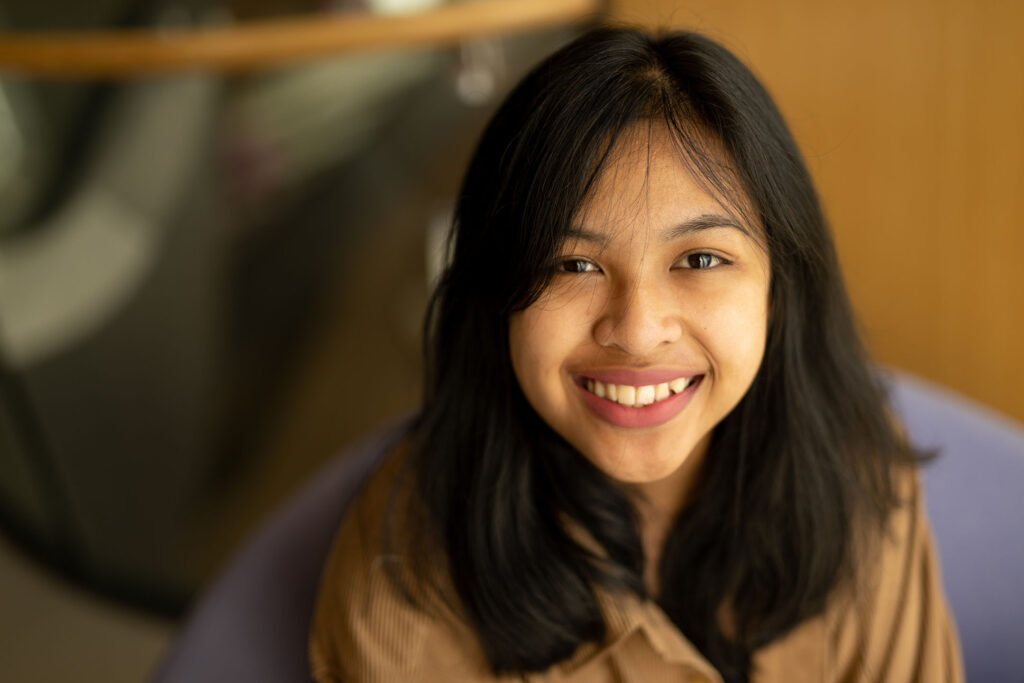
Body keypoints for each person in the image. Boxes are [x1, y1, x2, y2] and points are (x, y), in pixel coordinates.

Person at [310, 26, 964, 682]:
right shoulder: (404, 579)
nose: (639, 329)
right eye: (572, 263)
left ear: (779, 289)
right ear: (495, 294)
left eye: (700, 258)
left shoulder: (855, 481)